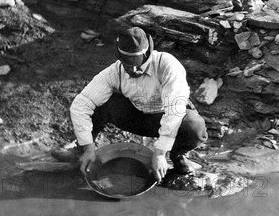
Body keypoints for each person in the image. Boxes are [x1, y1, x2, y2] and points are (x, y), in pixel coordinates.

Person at [52, 27, 207, 182]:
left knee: (194, 127)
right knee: (97, 101)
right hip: (136, 115)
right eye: (127, 65)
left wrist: (160, 153)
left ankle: (178, 157)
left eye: (137, 64)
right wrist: (88, 147)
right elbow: (81, 104)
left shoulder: (167, 65)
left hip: (165, 116)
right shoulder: (114, 72)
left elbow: (174, 112)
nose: (132, 70)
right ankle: (80, 151)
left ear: (147, 55)